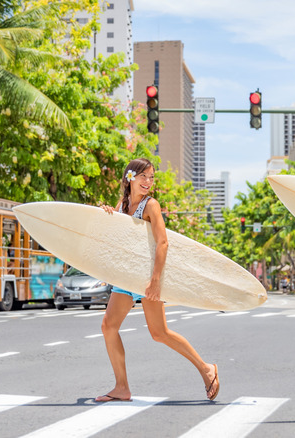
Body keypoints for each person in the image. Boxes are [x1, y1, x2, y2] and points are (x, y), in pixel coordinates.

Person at [96, 158, 220, 403]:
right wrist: (107, 214)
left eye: (151, 178)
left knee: (159, 333)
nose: (148, 182)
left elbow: (162, 242)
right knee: (108, 327)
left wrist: (155, 280)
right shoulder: (121, 204)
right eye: (143, 176)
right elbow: (116, 238)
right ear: (129, 178)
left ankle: (207, 369)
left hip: (148, 275)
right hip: (127, 276)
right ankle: (121, 387)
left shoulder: (151, 205)